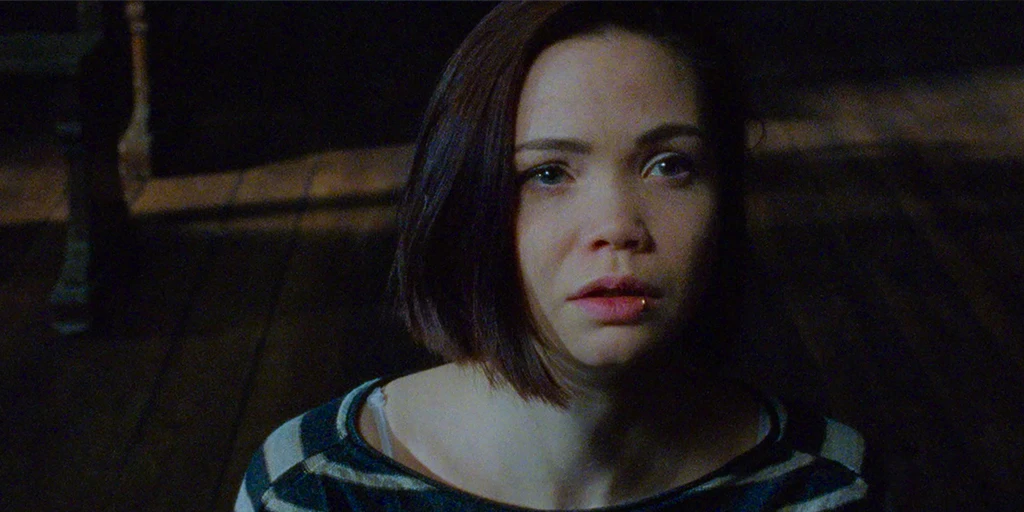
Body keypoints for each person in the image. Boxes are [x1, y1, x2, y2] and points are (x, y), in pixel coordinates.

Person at [236, 3, 883, 510]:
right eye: (548, 173)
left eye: (669, 166)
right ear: (466, 203)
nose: (617, 227)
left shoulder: (819, 485)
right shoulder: (315, 486)